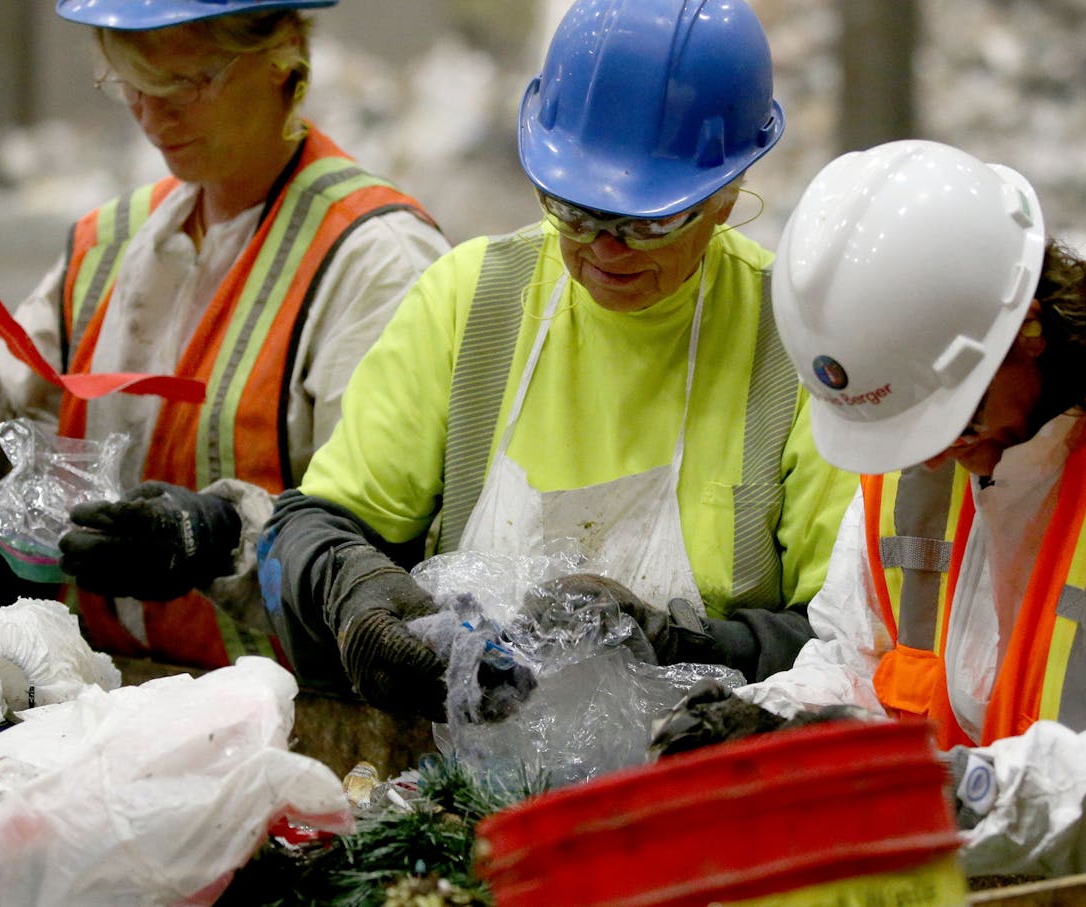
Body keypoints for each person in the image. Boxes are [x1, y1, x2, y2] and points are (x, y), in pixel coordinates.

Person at [649, 139, 1086, 878]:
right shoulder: (918, 451)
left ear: (1030, 328)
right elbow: (855, 664)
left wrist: (956, 792)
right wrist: (770, 731)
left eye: (957, 421)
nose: (937, 456)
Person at [258, 0, 856, 723]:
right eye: (571, 209)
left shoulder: (794, 349)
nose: (603, 249)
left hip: (694, 804)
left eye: (649, 221)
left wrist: (673, 645)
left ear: (728, 192)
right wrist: (349, 588)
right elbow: (308, 530)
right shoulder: (472, 301)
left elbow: (845, 646)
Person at [0, 0, 448, 669]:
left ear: (284, 58)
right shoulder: (111, 243)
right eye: (130, 82)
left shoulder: (375, 262)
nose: (154, 116)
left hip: (296, 722)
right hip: (110, 702)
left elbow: (378, 559)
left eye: (186, 83)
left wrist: (217, 540)